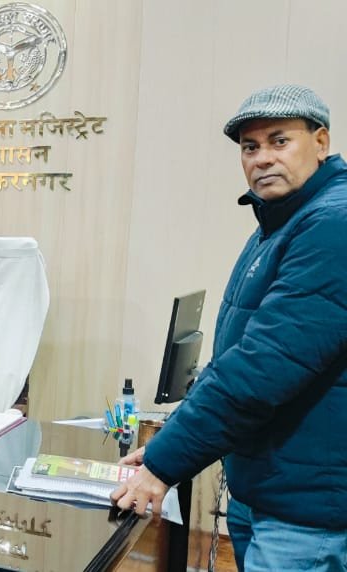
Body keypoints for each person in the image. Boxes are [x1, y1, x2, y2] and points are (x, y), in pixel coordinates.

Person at [112, 85, 347, 571]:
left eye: (279, 141)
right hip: (270, 487)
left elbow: (261, 369)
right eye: (249, 147)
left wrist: (164, 464)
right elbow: (232, 357)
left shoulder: (332, 224)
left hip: (307, 509)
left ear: (321, 142)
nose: (262, 159)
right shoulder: (280, 222)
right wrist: (166, 442)